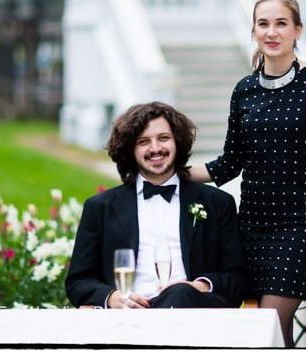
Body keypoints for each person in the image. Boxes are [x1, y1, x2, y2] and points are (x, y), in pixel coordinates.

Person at [189, 0, 306, 346]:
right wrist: (174, 172)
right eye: (263, 24)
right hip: (252, 226)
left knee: (270, 322)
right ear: (254, 31)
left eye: (281, 23)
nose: (271, 32)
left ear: (298, 31)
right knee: (268, 332)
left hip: (300, 227)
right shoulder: (244, 90)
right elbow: (229, 164)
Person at [65, 102, 248, 309]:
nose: (155, 148)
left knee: (179, 294)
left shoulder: (217, 203)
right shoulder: (100, 207)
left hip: (195, 317)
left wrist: (199, 286)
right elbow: (77, 283)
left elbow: (238, 279)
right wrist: (113, 297)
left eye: (163, 138)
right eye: (143, 142)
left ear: (177, 142)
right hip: (129, 320)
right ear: (130, 150)